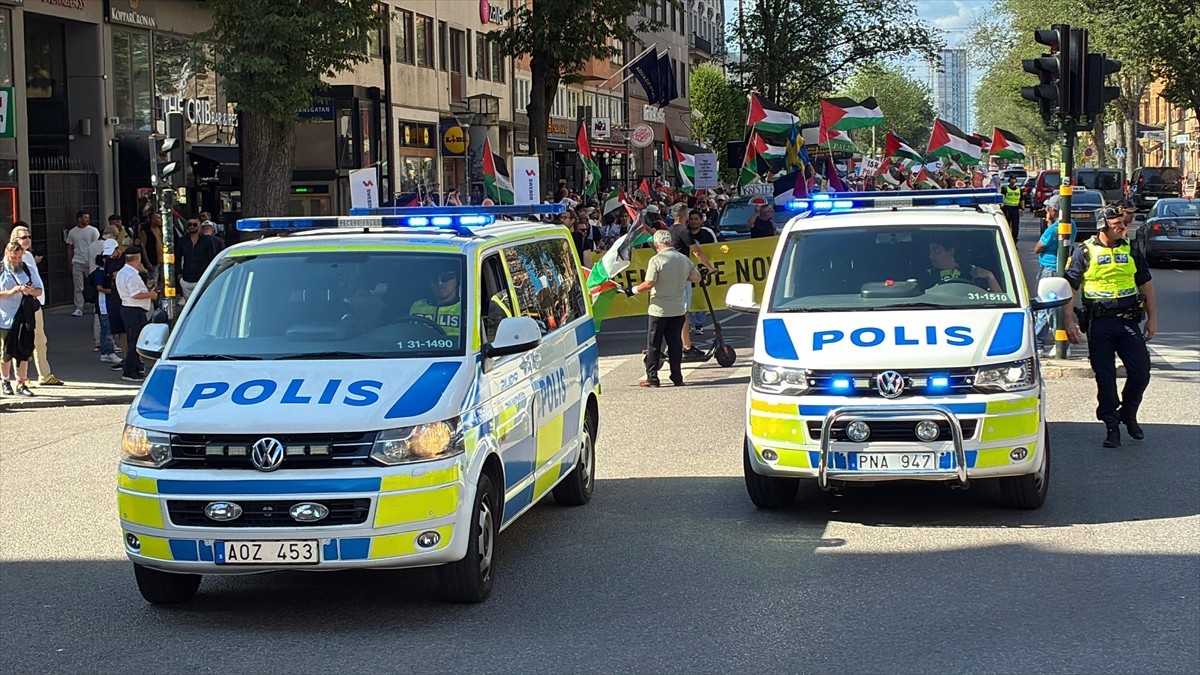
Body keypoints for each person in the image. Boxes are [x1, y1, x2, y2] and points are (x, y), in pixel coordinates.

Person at [1064, 205, 1156, 448]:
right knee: (1105, 377)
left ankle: (1128, 412)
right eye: (1118, 225)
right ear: (1103, 226)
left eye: (1123, 224)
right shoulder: (1084, 251)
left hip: (1128, 321)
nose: (1123, 228)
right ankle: (1111, 425)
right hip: (1100, 322)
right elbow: (1070, 289)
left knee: (1141, 372)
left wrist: (1152, 319)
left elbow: (1146, 285)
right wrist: (1068, 322)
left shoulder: (1131, 249)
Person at [625, 229, 700, 388]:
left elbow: (649, 283)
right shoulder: (683, 258)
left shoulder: (656, 260)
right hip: (678, 308)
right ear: (670, 242)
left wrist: (632, 290)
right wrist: (680, 277)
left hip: (659, 309)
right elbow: (696, 277)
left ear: (658, 244)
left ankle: (653, 377)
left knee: (654, 344)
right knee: (675, 344)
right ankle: (677, 376)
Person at [8, 224, 64, 386]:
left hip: (35, 303)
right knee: (21, 341)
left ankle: (44, 375)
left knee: (40, 340)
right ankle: (21, 378)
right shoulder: (13, 258)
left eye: (29, 237)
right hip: (20, 305)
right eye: (23, 237)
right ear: (15, 239)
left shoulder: (29, 256)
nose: (27, 240)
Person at [1032, 195, 1076, 356]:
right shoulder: (1071, 224)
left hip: (1049, 271)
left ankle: (1061, 343)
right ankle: (1038, 343)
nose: (1045, 210)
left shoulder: (1053, 229)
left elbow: (1038, 248)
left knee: (1051, 309)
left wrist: (1049, 226)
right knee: (1043, 308)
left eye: (1047, 207)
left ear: (1054, 210)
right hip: (1058, 268)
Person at [0, 241, 45, 396]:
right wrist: (12, 291)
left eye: (19, 257)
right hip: (6, 317)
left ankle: (21, 382)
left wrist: (30, 291)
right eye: (13, 258)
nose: (16, 261)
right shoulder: (1, 270)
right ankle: (5, 381)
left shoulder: (28, 269)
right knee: (6, 352)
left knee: (24, 350)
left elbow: (39, 291)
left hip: (25, 316)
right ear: (6, 254)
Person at [116, 246, 157, 382]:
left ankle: (134, 367)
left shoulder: (123, 272)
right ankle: (130, 371)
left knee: (133, 340)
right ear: (138, 258)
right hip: (134, 310)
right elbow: (135, 294)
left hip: (128, 308)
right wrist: (151, 294)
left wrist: (147, 288)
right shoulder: (131, 274)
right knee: (134, 341)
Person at [675, 209, 717, 342]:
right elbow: (697, 252)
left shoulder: (669, 230)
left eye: (696, 219)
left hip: (675, 273)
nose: (692, 221)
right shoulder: (684, 231)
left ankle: (681, 341)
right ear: (685, 216)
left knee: (679, 309)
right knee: (685, 311)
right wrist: (710, 267)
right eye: (690, 218)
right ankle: (686, 346)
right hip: (683, 274)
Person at [923, 241, 1003, 292]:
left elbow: (1000, 299)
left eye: (936, 251)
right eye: (930, 252)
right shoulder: (927, 275)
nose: (931, 256)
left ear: (950, 252)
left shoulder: (972, 271)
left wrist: (990, 276)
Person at [89, 239, 122, 365]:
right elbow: (99, 287)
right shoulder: (99, 272)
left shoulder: (108, 270)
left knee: (107, 328)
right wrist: (112, 291)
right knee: (107, 328)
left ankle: (108, 350)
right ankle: (108, 352)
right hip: (103, 304)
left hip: (109, 303)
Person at [408, 264, 462, 338]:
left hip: (454, 349)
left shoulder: (465, 308)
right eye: (434, 278)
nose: (440, 283)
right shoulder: (417, 305)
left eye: (446, 277)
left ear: (457, 280)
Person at [177, 215, 219, 303]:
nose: (192, 227)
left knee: (203, 303)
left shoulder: (207, 241)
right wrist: (179, 275)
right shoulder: (182, 241)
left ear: (200, 226)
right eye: (189, 225)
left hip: (202, 278)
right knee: (189, 305)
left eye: (194, 224)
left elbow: (212, 258)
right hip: (186, 279)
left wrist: (209, 276)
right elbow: (177, 258)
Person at [65, 210, 98, 316]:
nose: (87, 220)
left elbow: (96, 247)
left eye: (88, 218)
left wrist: (93, 260)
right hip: (77, 261)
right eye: (85, 217)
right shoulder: (72, 232)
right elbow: (70, 248)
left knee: (94, 284)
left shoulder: (93, 231)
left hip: (90, 262)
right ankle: (79, 307)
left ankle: (96, 305)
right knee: (78, 286)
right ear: (79, 219)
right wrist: (70, 262)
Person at [1001, 176, 1023, 242]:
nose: (1013, 180)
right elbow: (1001, 197)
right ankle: (1006, 238)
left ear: (1015, 180)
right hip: (1007, 208)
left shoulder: (1019, 189)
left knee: (1015, 226)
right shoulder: (1005, 189)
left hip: (1015, 209)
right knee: (1007, 225)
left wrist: (1023, 209)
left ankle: (1014, 239)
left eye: (1014, 179)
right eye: (1011, 179)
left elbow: (1022, 199)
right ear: (1009, 180)